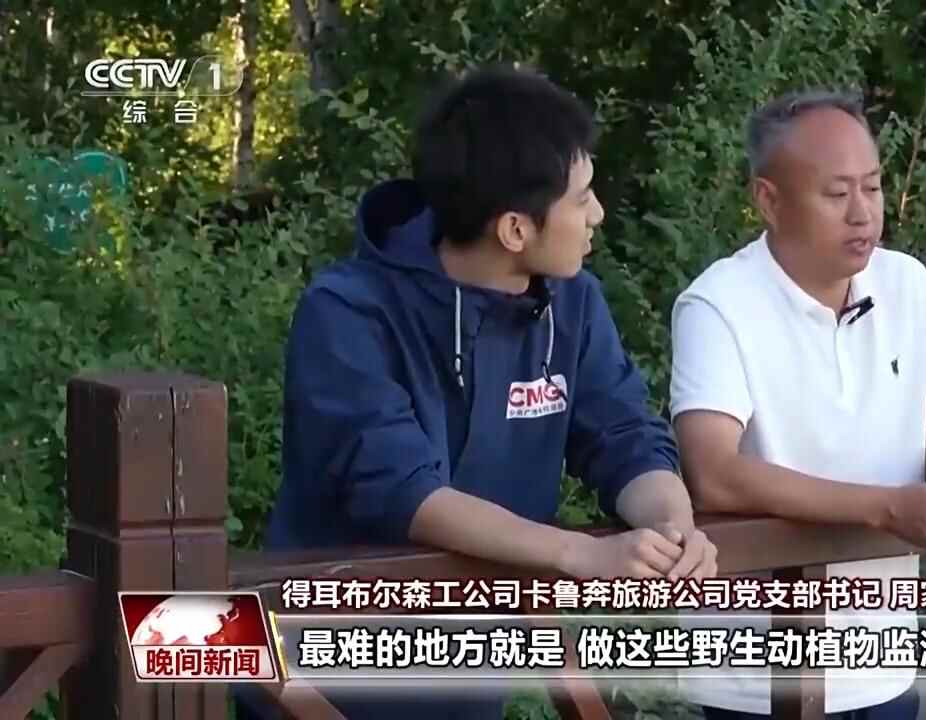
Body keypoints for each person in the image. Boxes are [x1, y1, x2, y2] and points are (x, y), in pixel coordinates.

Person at [235, 65, 717, 720]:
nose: (598, 214)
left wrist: (671, 524)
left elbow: (623, 435)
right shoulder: (348, 313)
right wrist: (581, 554)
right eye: (581, 199)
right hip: (324, 682)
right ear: (515, 229)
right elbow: (404, 493)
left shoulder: (573, 302)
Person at [668, 89, 926, 719]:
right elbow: (714, 473)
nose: (863, 213)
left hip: (885, 660)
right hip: (757, 674)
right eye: (837, 193)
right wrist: (888, 508)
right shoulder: (718, 303)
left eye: (873, 188)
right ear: (768, 200)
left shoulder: (905, 282)